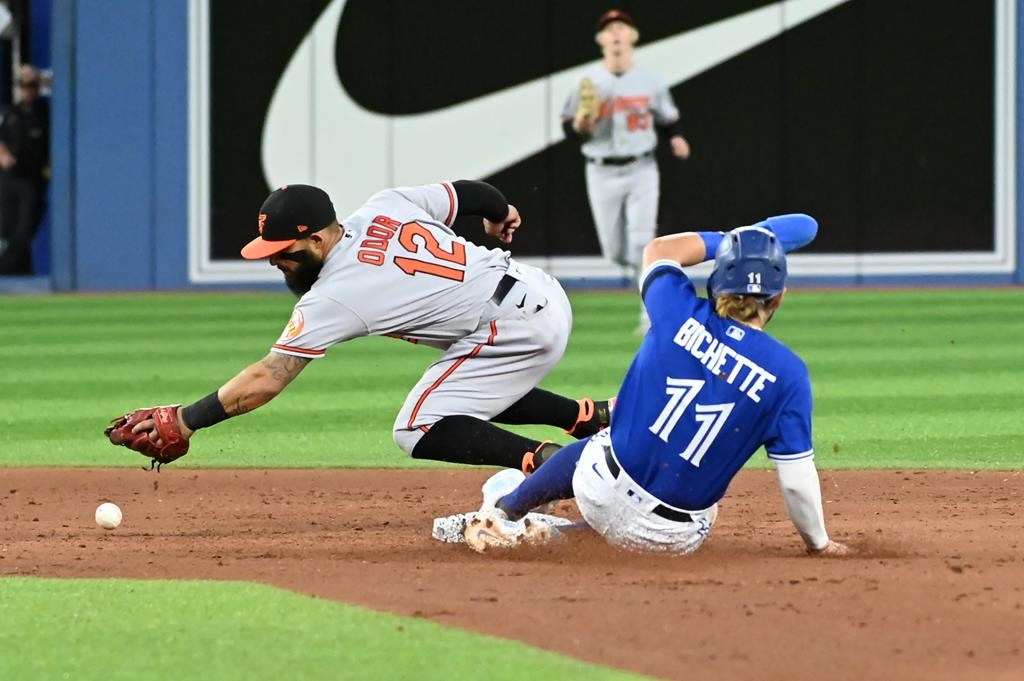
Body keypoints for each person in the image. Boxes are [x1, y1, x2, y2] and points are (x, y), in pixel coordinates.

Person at [107, 180, 613, 471]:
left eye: (283, 252)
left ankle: (557, 467)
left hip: (517, 329)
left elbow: (266, 380)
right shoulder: (385, 205)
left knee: (417, 428)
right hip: (539, 291)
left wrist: (187, 419)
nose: (274, 262)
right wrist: (501, 215)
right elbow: (470, 193)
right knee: (462, 389)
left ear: (319, 241)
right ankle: (588, 418)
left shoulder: (334, 295)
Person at [462, 215, 852, 557]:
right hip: (669, 537)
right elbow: (798, 482)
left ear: (717, 281)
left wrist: (735, 239)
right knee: (699, 510)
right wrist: (819, 543)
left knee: (603, 443)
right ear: (779, 298)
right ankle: (550, 538)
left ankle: (506, 509)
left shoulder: (676, 308)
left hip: (597, 484)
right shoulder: (789, 374)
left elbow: (661, 250)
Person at [563, 9, 690, 333]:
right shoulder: (587, 82)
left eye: (622, 27)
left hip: (642, 168)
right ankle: (657, 272)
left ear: (632, 37)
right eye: (609, 29)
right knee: (615, 250)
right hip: (601, 170)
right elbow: (569, 128)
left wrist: (676, 138)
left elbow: (668, 118)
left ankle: (652, 316)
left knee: (639, 242)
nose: (616, 33)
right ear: (600, 40)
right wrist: (581, 123)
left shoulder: (650, 81)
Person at [0, 64, 50, 275]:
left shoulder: (45, 113)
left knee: (24, 231)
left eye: (31, 85)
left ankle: (5, 270)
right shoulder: (11, 112)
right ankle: (19, 274)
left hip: (31, 179)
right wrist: (2, 154)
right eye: (23, 85)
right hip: (8, 179)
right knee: (5, 230)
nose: (27, 90)